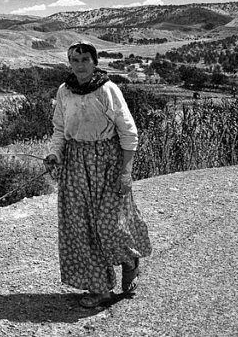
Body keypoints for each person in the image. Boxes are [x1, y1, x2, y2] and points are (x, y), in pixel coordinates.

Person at [44, 41, 152, 308]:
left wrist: (126, 172)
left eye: (84, 59)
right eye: (74, 60)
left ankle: (130, 261)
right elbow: (59, 129)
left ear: (94, 62)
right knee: (81, 229)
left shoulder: (108, 89)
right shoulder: (64, 91)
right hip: (75, 165)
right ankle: (99, 288)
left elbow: (129, 132)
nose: (79, 65)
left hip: (107, 162)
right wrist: (55, 154)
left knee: (110, 224)